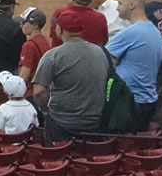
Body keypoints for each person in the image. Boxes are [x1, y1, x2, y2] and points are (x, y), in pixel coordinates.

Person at [32, 9, 110, 142]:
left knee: (59, 155)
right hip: (94, 123)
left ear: (60, 30)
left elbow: (39, 92)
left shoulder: (52, 56)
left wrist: (44, 110)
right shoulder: (101, 52)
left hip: (62, 123)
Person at [106, 0, 162, 129]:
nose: (117, 8)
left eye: (120, 4)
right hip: (148, 99)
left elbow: (104, 59)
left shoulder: (131, 32)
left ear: (131, 5)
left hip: (129, 100)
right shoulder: (155, 31)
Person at [0, 72, 39, 136]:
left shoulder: (4, 108)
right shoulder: (30, 106)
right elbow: (36, 125)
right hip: (26, 141)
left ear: (5, 90)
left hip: (8, 141)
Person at [16, 8, 51, 83]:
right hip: (42, 85)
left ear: (35, 25)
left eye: (24, 23)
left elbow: (24, 77)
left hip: (30, 88)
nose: (21, 25)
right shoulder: (44, 41)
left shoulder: (29, 45)